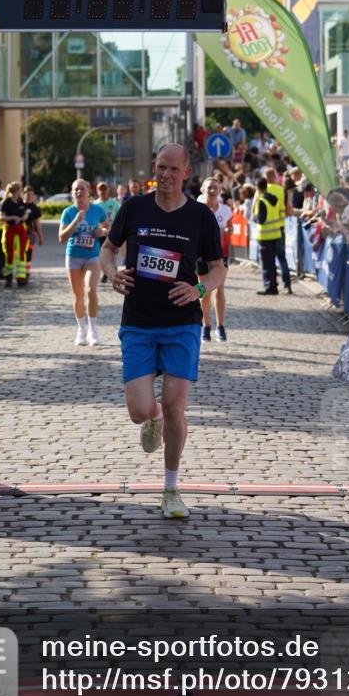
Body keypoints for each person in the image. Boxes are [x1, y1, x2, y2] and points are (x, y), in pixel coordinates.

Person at [100, 143, 225, 520]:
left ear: (187, 172)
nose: (166, 175)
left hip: (182, 322)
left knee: (175, 406)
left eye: (173, 169)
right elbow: (108, 249)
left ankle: (171, 488)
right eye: (160, 168)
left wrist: (199, 289)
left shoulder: (200, 216)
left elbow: (219, 268)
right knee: (140, 411)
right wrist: (111, 273)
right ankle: (151, 418)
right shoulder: (134, 208)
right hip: (138, 320)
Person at [59, 179, 107, 345]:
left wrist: (101, 232)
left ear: (88, 192)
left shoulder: (97, 210)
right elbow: (62, 237)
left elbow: (107, 228)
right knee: (77, 295)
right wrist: (75, 221)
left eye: (81, 189)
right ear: (72, 194)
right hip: (73, 256)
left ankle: (93, 330)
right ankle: (81, 329)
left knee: (90, 289)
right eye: (75, 190)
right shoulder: (68, 212)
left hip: (92, 255)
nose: (79, 192)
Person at [197, 177, 233, 343]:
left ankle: (220, 326)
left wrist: (228, 230)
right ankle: (206, 326)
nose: (212, 190)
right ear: (203, 190)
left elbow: (230, 229)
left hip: (221, 254)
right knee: (204, 291)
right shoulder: (197, 209)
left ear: (219, 191)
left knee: (220, 289)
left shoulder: (225, 210)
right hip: (202, 255)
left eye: (215, 188)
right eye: (209, 187)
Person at [0, 182, 29, 288]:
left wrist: (25, 216)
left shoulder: (21, 202)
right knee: (9, 254)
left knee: (21, 253)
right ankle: (8, 279)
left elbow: (25, 212)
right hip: (9, 229)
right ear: (16, 191)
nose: (21, 192)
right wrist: (12, 218)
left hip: (20, 229)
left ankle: (21, 278)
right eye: (20, 189)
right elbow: (1, 217)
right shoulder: (6, 202)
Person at [23, 185, 44, 280]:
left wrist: (41, 237)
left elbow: (37, 223)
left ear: (34, 196)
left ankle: (26, 273)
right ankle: (18, 272)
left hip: (29, 235)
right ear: (23, 194)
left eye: (31, 195)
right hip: (17, 234)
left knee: (28, 254)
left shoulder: (34, 208)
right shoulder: (18, 204)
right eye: (27, 194)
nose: (29, 197)